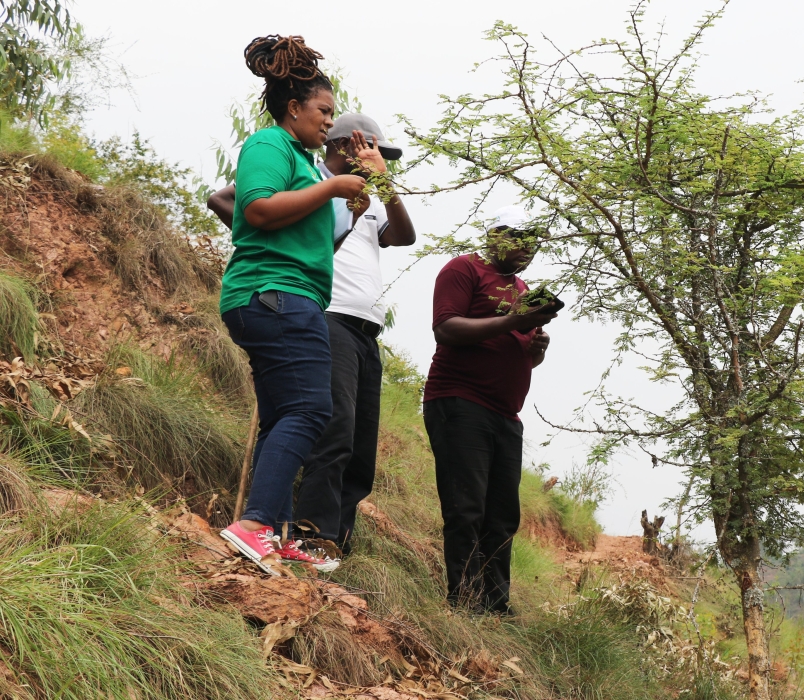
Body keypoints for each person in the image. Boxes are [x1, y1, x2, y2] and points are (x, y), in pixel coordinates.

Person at [209, 114, 416, 564]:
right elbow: (230, 200)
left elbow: (404, 236)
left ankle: (300, 538)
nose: (379, 160)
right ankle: (301, 531)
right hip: (317, 310)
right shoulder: (312, 176)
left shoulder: (362, 197)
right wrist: (279, 245)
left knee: (353, 441)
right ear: (347, 144)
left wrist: (380, 185)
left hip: (364, 322)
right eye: (372, 150)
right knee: (324, 421)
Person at [216, 35, 365, 575]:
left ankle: (273, 534)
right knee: (312, 410)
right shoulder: (269, 146)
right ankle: (254, 525)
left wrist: (347, 197)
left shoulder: (302, 160)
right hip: (274, 295)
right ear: (294, 107)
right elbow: (255, 210)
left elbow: (315, 241)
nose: (330, 122)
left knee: (284, 414)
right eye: (323, 112)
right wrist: (329, 190)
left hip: (288, 294)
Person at [422, 206, 557, 615]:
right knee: (467, 507)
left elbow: (514, 353)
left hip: (505, 415)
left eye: (535, 241)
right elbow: (446, 328)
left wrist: (535, 350)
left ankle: (496, 604)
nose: (528, 248)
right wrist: (514, 320)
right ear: (495, 234)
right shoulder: (463, 269)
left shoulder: (522, 287)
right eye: (519, 238)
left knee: (502, 515)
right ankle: (463, 602)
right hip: (460, 402)